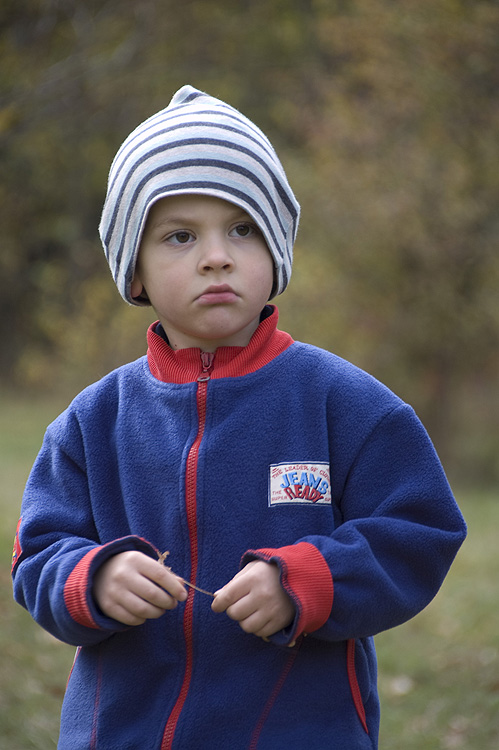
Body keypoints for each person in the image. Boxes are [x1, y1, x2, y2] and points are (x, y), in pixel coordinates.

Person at [12, 85, 467, 750]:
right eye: (179, 236)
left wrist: (310, 579)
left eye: (242, 229)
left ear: (276, 251)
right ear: (134, 272)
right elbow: (39, 555)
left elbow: (420, 531)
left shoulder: (346, 403)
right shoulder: (91, 423)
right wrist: (92, 579)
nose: (216, 255)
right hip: (122, 733)